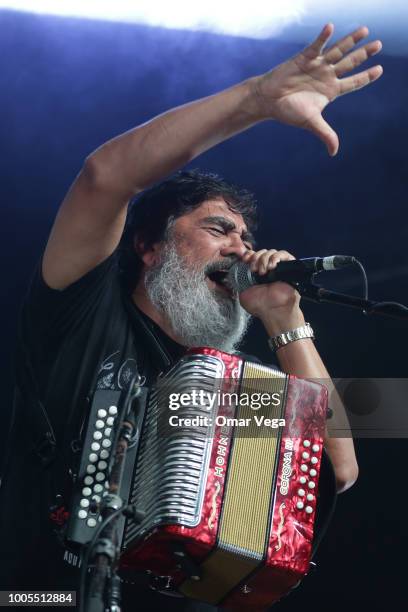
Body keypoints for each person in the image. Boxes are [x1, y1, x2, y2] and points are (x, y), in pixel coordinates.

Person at [0, 23, 382, 610]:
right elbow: (105, 176)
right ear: (149, 247)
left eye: (245, 236)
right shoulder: (83, 312)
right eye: (216, 228)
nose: (239, 247)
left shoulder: (229, 388)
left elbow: (339, 466)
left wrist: (284, 318)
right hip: (35, 596)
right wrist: (256, 99)